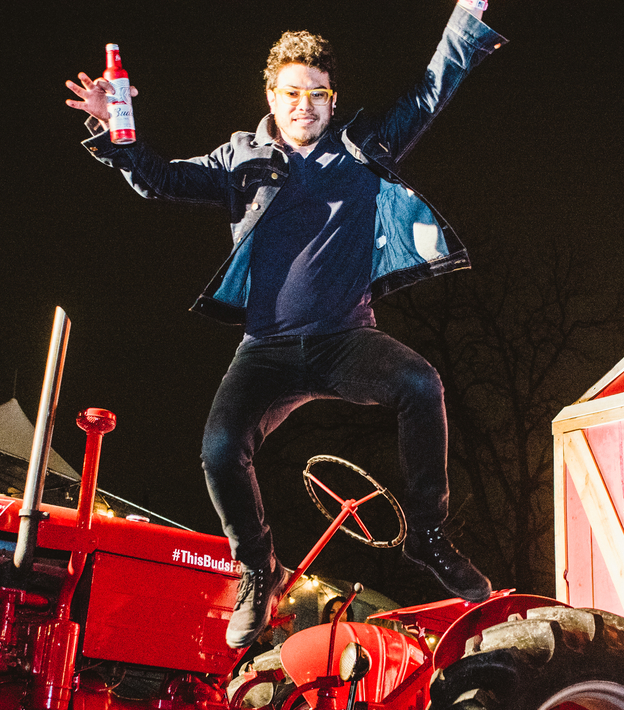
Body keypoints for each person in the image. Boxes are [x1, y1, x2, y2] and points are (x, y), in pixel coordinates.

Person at [65, 2, 503, 649]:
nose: (305, 106)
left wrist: (467, 15)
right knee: (219, 448)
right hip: (265, 350)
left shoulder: (362, 144)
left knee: (420, 382)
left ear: (332, 99)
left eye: (317, 95)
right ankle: (256, 564)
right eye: (292, 93)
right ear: (271, 95)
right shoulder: (239, 158)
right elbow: (161, 181)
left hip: (343, 339)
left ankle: (431, 537)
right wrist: (118, 136)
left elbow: (431, 89)